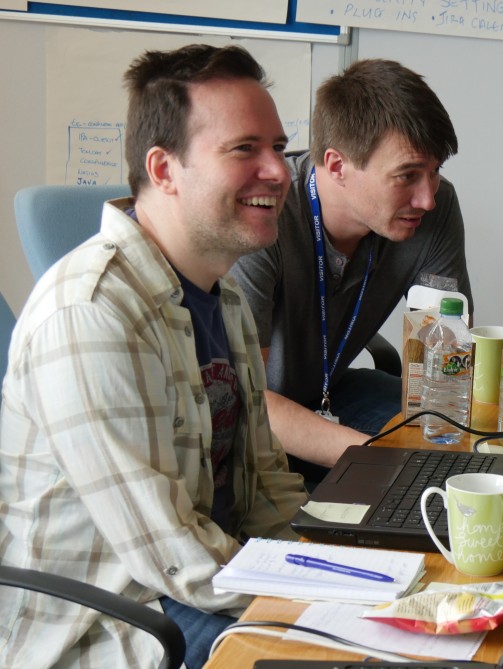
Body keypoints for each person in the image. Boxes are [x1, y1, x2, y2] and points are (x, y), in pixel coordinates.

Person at [0, 44, 307, 669]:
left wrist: (350, 563)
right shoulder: (89, 314)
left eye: (277, 146)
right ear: (164, 170)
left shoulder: (220, 297)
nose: (278, 170)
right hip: (122, 623)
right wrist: (331, 600)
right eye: (245, 148)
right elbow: (174, 556)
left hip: (204, 583)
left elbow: (266, 491)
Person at [229, 59, 472, 485]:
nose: (427, 198)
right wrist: (379, 459)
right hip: (255, 418)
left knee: (464, 459)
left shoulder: (434, 210)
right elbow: (246, 401)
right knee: (402, 476)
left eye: (434, 173)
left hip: (335, 392)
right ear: (337, 165)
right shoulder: (263, 216)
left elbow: (446, 355)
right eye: (407, 176)